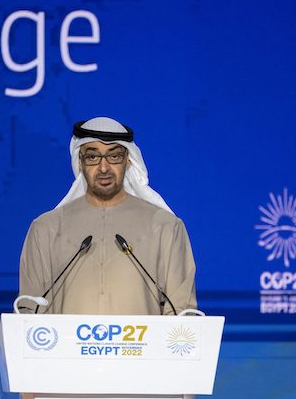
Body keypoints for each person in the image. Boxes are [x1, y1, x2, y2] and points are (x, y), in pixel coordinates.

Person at [17, 116, 197, 315]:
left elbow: (181, 313)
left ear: (128, 161)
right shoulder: (46, 229)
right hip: (65, 347)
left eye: (114, 156)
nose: (104, 168)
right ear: (80, 161)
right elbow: (30, 315)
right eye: (93, 157)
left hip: (143, 347)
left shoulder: (165, 226)